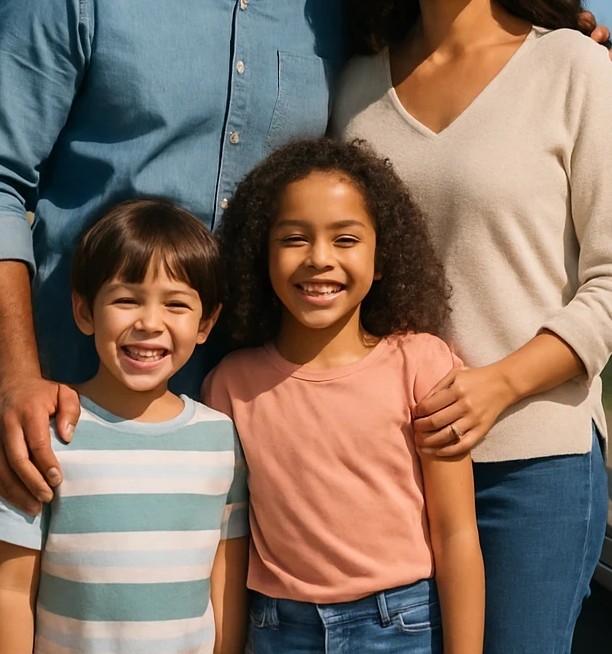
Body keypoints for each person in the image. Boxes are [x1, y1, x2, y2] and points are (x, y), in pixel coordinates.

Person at [0, 0, 612, 652]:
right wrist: (13, 378)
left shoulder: (337, 20)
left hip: (265, 445)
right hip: (73, 421)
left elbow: (461, 63)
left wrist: (567, 37)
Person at [332, 0, 612, 653]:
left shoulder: (575, 68)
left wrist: (498, 385)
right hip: (377, 461)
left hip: (531, 463)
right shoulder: (351, 81)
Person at [203, 138, 484, 654]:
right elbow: (230, 545)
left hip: (403, 627)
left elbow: (457, 532)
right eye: (293, 239)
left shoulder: (422, 365)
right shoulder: (228, 386)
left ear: (382, 258)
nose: (319, 259)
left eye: (346, 239)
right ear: (259, 255)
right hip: (276, 631)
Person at [0, 199, 249, 654]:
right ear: (84, 311)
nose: (149, 323)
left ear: (206, 323)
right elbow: (9, 589)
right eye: (126, 300)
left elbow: (226, 577)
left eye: (176, 305)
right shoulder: (45, 434)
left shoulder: (221, 438)